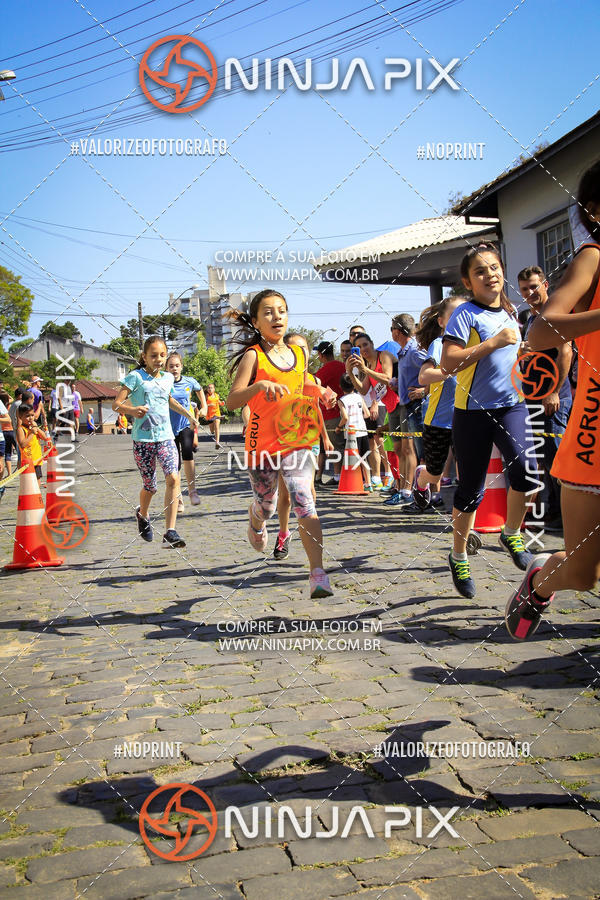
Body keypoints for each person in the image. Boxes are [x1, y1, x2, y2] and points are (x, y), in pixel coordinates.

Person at [505, 160, 600, 640]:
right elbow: (543, 329)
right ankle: (538, 584)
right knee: (584, 574)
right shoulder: (593, 257)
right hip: (593, 435)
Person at [227, 289, 335, 597]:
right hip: (261, 444)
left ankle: (317, 574)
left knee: (304, 499)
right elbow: (233, 400)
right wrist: (259, 385)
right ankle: (255, 519)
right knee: (268, 506)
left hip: (296, 439)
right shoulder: (254, 356)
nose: (277, 317)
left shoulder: (299, 354)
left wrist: (323, 393)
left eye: (282, 311)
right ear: (256, 320)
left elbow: (303, 385)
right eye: (269, 312)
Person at [441, 242, 534, 599]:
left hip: (513, 403)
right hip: (472, 411)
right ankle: (459, 554)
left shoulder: (511, 310)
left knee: (525, 470)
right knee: (471, 490)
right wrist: (494, 342)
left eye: (494, 267)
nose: (490, 275)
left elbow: (511, 350)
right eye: (480, 271)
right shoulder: (465, 314)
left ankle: (511, 533)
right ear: (468, 281)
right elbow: (449, 363)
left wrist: (519, 349)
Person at [112, 335, 199, 549]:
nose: (159, 359)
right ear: (144, 357)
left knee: (173, 478)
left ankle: (170, 531)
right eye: (154, 355)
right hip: (143, 440)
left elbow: (168, 399)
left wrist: (188, 414)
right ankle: (142, 514)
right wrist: (132, 410)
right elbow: (116, 404)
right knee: (150, 487)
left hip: (166, 437)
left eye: (162, 355)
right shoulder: (135, 377)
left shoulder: (167, 378)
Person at [517, 265, 573, 532]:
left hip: (554, 398)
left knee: (558, 456)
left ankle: (565, 515)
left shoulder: (556, 313)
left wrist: (553, 391)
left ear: (545, 285)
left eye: (534, 287)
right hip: (533, 398)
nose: (530, 292)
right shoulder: (529, 319)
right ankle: (551, 510)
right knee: (542, 456)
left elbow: (566, 353)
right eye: (525, 289)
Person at [274, 333, 333, 560]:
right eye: (293, 349)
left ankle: (309, 524)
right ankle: (283, 532)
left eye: (303, 348)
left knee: (307, 488)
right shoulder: (279, 379)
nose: (299, 353)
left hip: (309, 440)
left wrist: (325, 436)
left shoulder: (315, 381)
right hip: (284, 441)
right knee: (286, 495)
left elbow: (317, 409)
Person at [412, 297, 466, 511]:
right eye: (453, 316)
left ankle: (465, 514)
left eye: (463, 314)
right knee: (435, 472)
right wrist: (451, 369)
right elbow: (424, 376)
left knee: (468, 470)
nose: (460, 319)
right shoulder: (439, 344)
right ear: (442, 322)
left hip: (467, 417)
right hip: (439, 421)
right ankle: (422, 478)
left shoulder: (475, 344)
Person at [346, 332, 396, 489]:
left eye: (365, 345)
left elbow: (388, 378)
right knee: (394, 446)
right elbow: (363, 389)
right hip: (390, 407)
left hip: (400, 402)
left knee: (398, 446)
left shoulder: (384, 356)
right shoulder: (368, 366)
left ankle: (399, 484)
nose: (363, 349)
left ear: (372, 343)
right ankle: (397, 484)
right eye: (359, 347)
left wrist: (365, 370)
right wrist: (350, 372)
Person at [166, 352, 208, 511]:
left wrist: (204, 406)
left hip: (186, 424)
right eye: (171, 366)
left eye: (177, 366)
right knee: (173, 463)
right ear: (166, 368)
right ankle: (178, 498)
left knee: (188, 452)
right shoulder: (164, 383)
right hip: (169, 428)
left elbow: (199, 389)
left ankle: (192, 490)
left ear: (181, 367)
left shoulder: (189, 381)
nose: (174, 369)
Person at [314, 340, 345, 484]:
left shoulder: (326, 369)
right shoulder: (342, 366)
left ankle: (337, 476)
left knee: (333, 446)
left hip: (330, 413)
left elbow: (313, 383)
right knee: (327, 447)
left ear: (321, 355)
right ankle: (319, 476)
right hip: (341, 410)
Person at [336, 373, 372, 490]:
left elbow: (345, 417)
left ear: (340, 386)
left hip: (351, 434)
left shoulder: (341, 400)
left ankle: (352, 483)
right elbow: (367, 414)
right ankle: (368, 484)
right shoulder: (359, 397)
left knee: (352, 459)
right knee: (364, 458)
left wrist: (338, 427)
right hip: (362, 430)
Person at [16, 404, 50, 481]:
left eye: (32, 415)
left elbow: (45, 438)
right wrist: (32, 433)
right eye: (27, 416)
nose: (30, 418)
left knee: (37, 482)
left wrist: (36, 428)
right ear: (21, 417)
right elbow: (22, 444)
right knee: (29, 484)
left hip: (37, 460)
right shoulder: (21, 429)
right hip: (27, 462)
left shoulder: (33, 427)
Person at [205, 384, 225, 449]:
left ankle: (217, 442)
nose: (210, 389)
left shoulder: (217, 395)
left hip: (217, 414)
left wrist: (222, 403)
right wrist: (209, 405)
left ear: (214, 389)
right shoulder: (206, 396)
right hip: (209, 415)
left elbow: (218, 402)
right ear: (207, 389)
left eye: (211, 388)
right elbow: (202, 406)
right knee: (211, 430)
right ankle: (213, 431)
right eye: (209, 388)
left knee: (217, 426)